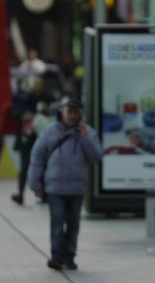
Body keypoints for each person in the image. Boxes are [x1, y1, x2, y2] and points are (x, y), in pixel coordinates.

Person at [27, 97, 103, 272]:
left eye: (76, 112)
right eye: (70, 111)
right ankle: (57, 257)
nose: (72, 116)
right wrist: (35, 183)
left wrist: (85, 139)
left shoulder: (88, 132)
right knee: (58, 221)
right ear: (62, 112)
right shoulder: (50, 131)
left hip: (77, 188)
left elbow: (97, 157)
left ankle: (70, 256)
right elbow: (37, 156)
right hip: (55, 187)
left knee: (73, 224)